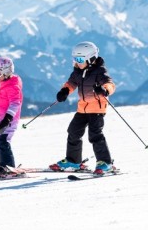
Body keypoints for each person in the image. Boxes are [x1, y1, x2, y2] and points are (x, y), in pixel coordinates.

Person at [50, 41, 118, 175]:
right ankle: (73, 160)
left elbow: (110, 84)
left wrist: (104, 90)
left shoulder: (100, 71)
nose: (77, 62)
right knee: (73, 131)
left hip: (97, 109)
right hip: (82, 108)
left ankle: (105, 163)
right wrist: (64, 91)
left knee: (95, 135)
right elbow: (71, 83)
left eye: (80, 59)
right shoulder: (77, 71)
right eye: (75, 59)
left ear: (91, 58)